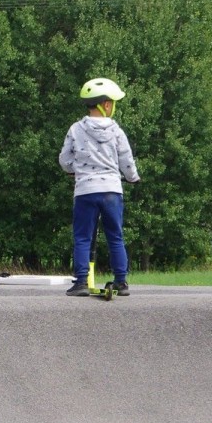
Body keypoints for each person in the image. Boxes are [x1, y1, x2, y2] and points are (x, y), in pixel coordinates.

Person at [59, 78, 140, 296]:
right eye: (113, 103)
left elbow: (64, 158)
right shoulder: (116, 131)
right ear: (106, 105)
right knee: (115, 235)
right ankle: (121, 281)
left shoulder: (76, 129)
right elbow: (126, 159)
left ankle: (81, 282)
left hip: (85, 190)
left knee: (83, 237)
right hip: (112, 190)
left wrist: (71, 170)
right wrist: (133, 177)